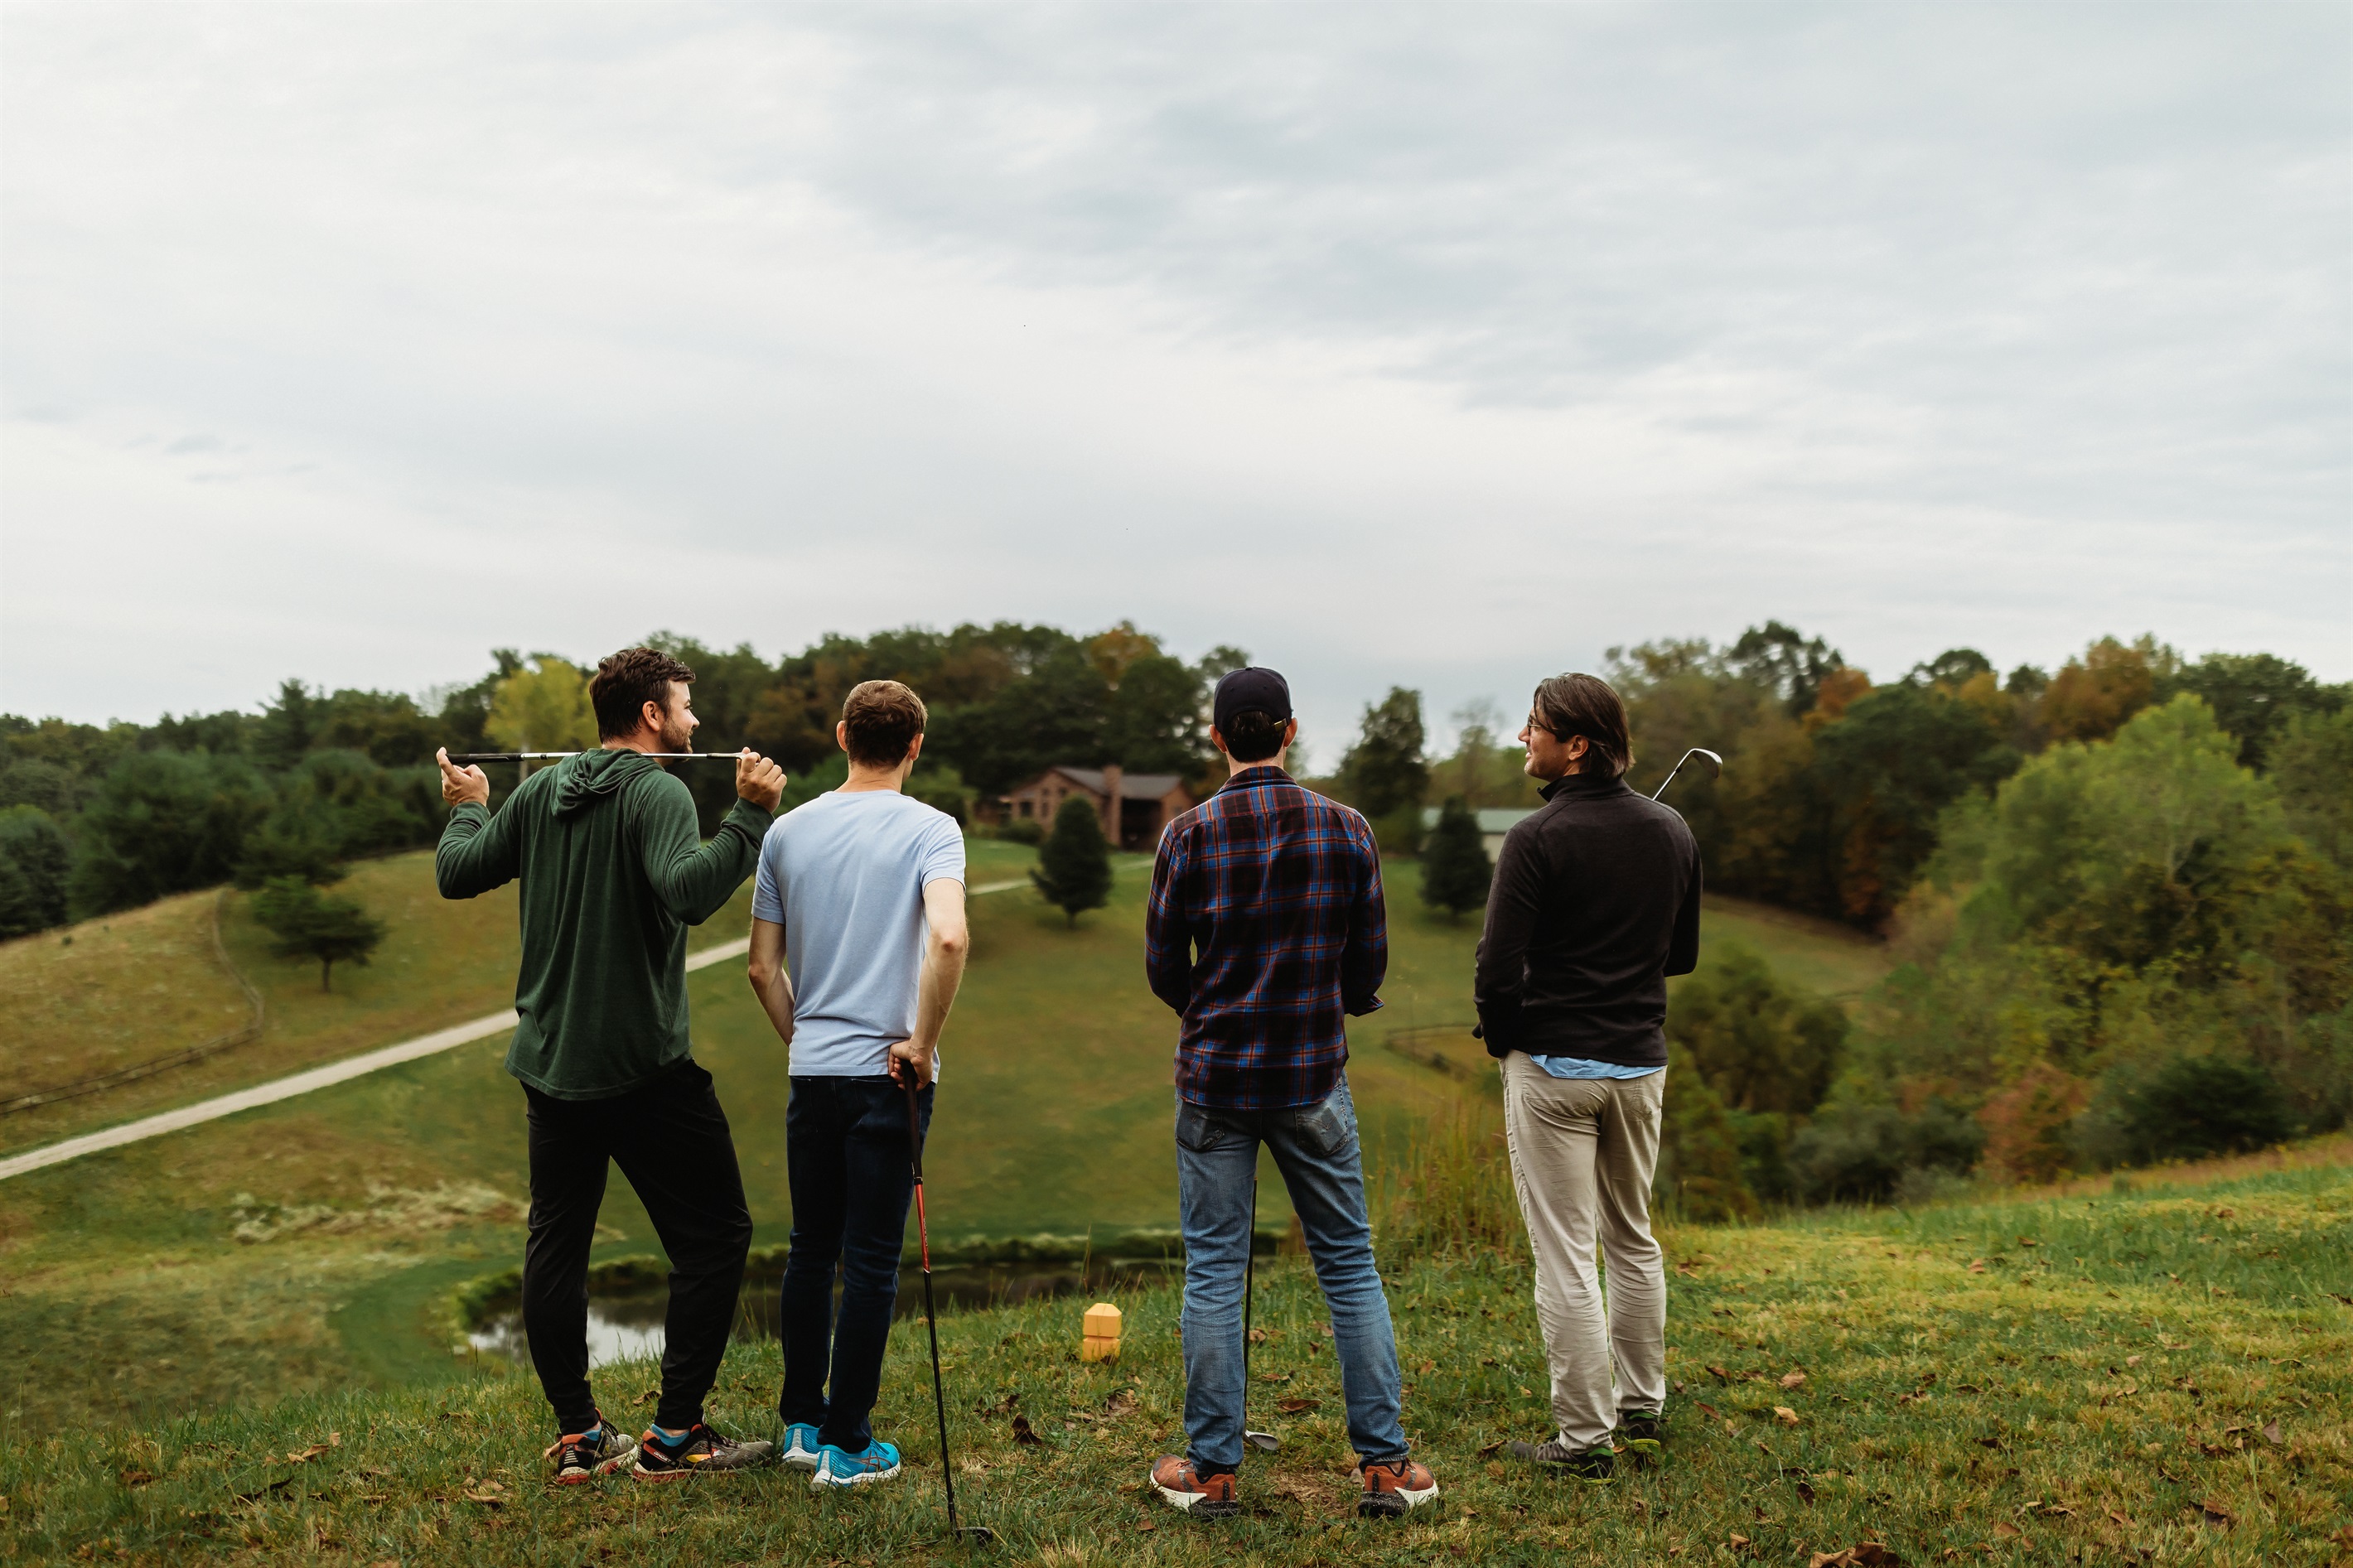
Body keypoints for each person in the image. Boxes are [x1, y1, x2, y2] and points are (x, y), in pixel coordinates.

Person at [434, 646, 786, 1484]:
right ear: (652, 716)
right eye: (684, 706)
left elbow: (457, 868)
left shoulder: (539, 791)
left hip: (550, 1065)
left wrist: (469, 806)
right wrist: (748, 816)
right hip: (641, 1070)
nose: (695, 721)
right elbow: (689, 894)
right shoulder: (661, 792)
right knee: (715, 1237)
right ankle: (672, 1437)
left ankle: (579, 1435)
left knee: (556, 1244)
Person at [1142, 666, 1440, 1522]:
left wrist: (1206, 1008)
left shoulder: (1186, 836)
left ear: (1215, 737)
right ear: (1289, 731)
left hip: (1214, 1080)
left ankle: (1212, 1472)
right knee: (1347, 1263)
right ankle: (1384, 1468)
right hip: (1312, 1077)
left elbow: (1165, 967)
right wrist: (1324, 1001)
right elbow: (1367, 964)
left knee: (1213, 1267)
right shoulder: (1346, 830)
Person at [1474, 672, 1701, 1484]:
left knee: (1567, 1255)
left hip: (1554, 1070)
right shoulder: (1671, 829)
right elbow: (1679, 957)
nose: (1522, 739)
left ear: (1576, 745)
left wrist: (1507, 1043)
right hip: (1638, 1069)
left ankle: (1583, 1440)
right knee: (1630, 1239)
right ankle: (1640, 1411)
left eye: (1533, 727)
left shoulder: (1534, 839)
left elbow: (1497, 971)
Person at [746, 679, 970, 1491]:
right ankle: (847, 1448)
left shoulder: (787, 833)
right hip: (890, 1077)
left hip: (814, 1075)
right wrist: (920, 1042)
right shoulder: (932, 830)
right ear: (915, 745)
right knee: (871, 1260)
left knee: (811, 1248)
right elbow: (946, 938)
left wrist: (805, 1040)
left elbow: (760, 969)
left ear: (842, 736)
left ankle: (802, 1424)